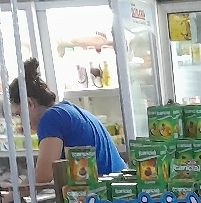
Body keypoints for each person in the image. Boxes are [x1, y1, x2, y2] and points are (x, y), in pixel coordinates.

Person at [8, 58, 125, 186]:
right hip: (121, 189)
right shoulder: (67, 110)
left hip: (109, 194)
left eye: (19, 114)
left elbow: (42, 177)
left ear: (29, 104)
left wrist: (12, 195)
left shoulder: (51, 118)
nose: (21, 122)